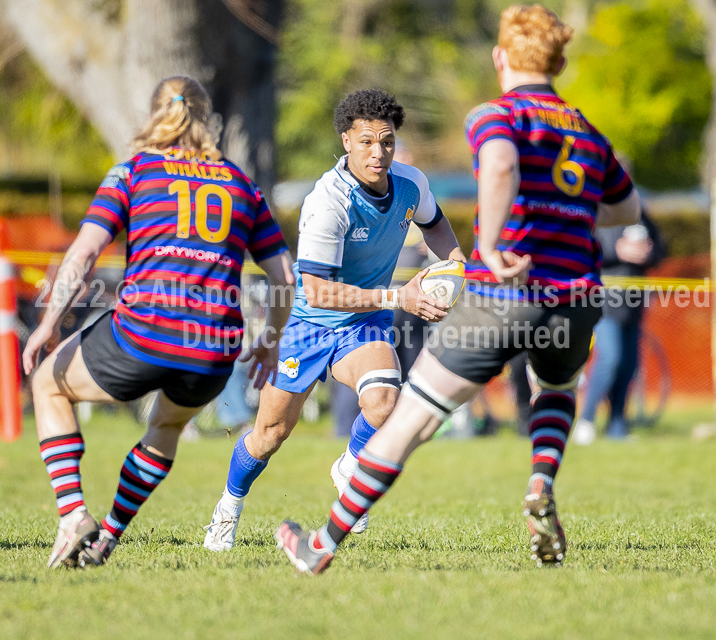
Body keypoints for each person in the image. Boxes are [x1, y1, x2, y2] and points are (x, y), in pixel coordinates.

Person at [275, 4, 641, 574]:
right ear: (560, 62)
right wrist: (569, 215)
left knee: (411, 421)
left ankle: (319, 546)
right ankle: (540, 481)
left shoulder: (496, 115)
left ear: (501, 58)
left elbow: (498, 166)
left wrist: (489, 246)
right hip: (578, 295)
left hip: (509, 294)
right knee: (556, 390)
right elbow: (626, 208)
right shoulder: (587, 130)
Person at [22, 76, 294, 569]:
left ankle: (72, 517)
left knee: (48, 385)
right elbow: (284, 277)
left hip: (144, 333)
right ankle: (106, 539)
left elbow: (84, 253)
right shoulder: (242, 184)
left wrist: (49, 323)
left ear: (154, 116)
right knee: (166, 425)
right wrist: (270, 343)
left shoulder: (132, 173)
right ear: (206, 120)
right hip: (214, 349)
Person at [203, 89, 464, 552]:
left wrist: (456, 265)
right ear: (346, 141)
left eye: (386, 142)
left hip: (363, 322)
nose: (377, 152)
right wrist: (398, 296)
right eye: (366, 142)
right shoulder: (328, 201)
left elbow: (436, 223)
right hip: (306, 324)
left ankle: (349, 467)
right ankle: (228, 507)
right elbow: (319, 290)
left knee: (385, 402)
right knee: (269, 435)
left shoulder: (410, 184)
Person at [572, 211, 664, 443]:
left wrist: (649, 253)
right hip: (604, 303)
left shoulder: (640, 214)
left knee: (628, 365)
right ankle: (586, 420)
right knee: (610, 358)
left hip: (633, 306)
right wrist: (617, 251)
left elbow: (660, 249)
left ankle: (617, 425)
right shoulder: (597, 213)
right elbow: (583, 250)